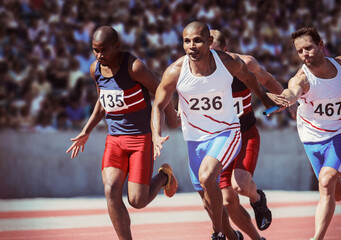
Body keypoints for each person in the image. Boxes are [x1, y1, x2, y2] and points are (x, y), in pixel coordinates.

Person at [151, 21, 275, 240]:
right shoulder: (175, 71)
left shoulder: (232, 63)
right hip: (195, 140)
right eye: (187, 41)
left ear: (210, 43)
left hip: (229, 132)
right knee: (215, 200)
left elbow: (254, 79)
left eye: (198, 40)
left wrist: (268, 100)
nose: (192, 46)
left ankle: (216, 233)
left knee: (211, 178)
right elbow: (158, 105)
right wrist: (155, 134)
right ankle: (234, 235)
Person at [66, 26, 179, 240]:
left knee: (138, 201)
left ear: (117, 46)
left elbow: (162, 92)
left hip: (140, 138)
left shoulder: (134, 67)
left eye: (104, 50)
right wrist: (85, 131)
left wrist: (169, 123)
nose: (99, 56)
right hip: (115, 139)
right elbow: (102, 103)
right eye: (95, 50)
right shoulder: (95, 69)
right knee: (111, 190)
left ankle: (165, 176)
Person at [270, 26, 341, 240]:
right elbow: (291, 90)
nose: (304, 55)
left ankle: (317, 238)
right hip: (311, 138)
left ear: (321, 45)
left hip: (340, 133)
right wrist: (288, 100)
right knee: (335, 192)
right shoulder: (302, 78)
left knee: (326, 182)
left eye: (308, 48)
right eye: (299, 51)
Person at [210, 29, 286, 240]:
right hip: (221, 141)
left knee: (241, 185)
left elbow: (268, 80)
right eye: (208, 55)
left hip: (245, 135)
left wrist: (288, 102)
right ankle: (256, 238)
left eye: (217, 55)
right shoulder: (197, 69)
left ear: (226, 51)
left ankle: (256, 198)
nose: (211, 62)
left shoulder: (245, 64)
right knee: (227, 201)